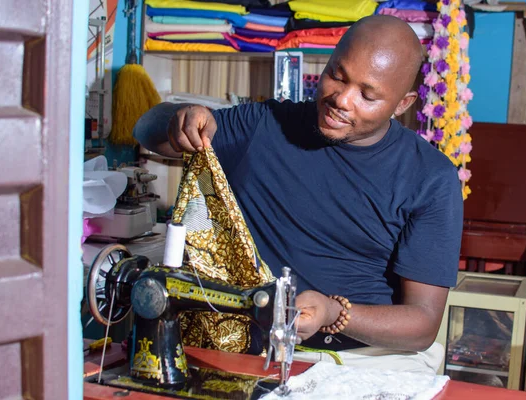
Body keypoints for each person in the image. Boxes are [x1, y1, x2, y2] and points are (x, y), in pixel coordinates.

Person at [134, 15, 464, 375]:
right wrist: (180, 118)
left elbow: (422, 325)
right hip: (253, 351)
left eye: (368, 95)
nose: (342, 99)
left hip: (368, 359)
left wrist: (334, 312)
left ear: (403, 104)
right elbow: (146, 130)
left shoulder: (430, 178)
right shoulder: (263, 127)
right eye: (337, 75)